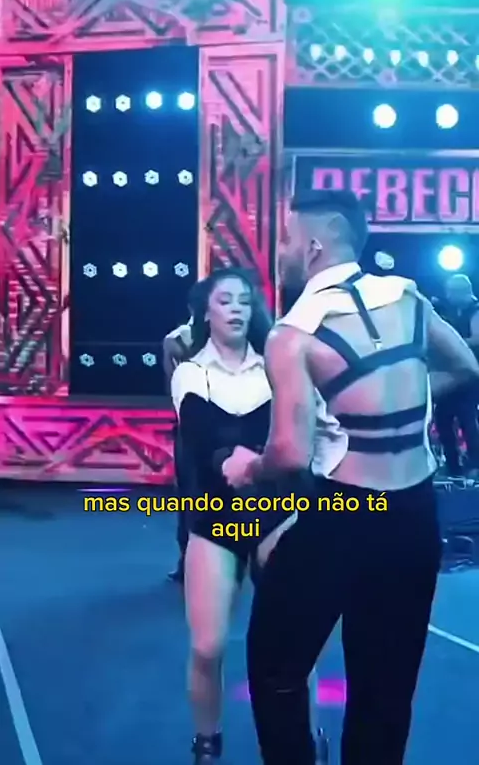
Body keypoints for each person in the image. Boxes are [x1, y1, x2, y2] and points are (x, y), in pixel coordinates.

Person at [222, 189, 479, 765]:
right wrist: (399, 406)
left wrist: (247, 467)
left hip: (344, 516)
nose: (280, 251)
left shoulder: (292, 335)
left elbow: (289, 454)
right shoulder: (409, 298)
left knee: (276, 667)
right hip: (414, 516)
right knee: (386, 689)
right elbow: (466, 366)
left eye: (286, 239)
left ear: (313, 246)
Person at [170, 268, 326, 764]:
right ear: (206, 312)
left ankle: (308, 736)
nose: (236, 309)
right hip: (216, 519)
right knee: (208, 646)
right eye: (225, 301)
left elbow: (301, 434)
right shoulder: (190, 373)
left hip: (277, 513)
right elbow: (203, 441)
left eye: (243, 301)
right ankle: (206, 743)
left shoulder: (278, 368)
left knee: (294, 643)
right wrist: (241, 461)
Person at [163, 283, 204, 583]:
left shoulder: (174, 340)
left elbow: (171, 386)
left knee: (191, 495)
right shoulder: (177, 340)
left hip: (196, 425)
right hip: (195, 427)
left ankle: (191, 558)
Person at [432, 273, 479, 477]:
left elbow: (477, 339)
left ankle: (475, 463)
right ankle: (452, 464)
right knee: (442, 418)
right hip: (452, 375)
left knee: (467, 418)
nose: (448, 296)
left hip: (470, 374)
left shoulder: (475, 311)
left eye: (451, 292)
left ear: (462, 291)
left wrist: (452, 345)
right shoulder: (453, 312)